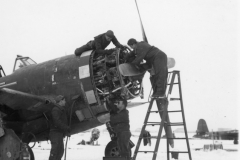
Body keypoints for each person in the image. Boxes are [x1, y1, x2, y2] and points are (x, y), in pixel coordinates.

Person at [48, 95, 70, 160]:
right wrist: (66, 128)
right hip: (55, 133)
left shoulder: (60, 109)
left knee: (60, 151)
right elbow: (57, 122)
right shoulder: (55, 110)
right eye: (64, 100)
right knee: (55, 152)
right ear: (60, 101)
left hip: (59, 133)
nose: (65, 102)